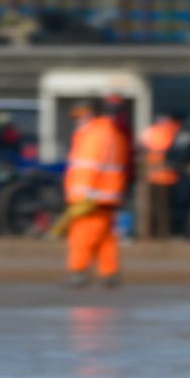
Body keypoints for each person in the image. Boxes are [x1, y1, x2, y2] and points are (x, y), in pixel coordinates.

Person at [62, 97, 132, 288]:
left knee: (81, 235)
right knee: (104, 238)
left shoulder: (95, 134)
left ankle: (78, 271)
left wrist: (82, 195)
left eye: (82, 115)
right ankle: (109, 273)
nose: (79, 120)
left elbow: (89, 166)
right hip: (106, 194)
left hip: (91, 196)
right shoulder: (111, 132)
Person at [139, 109, 184, 239]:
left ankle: (154, 233)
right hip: (164, 176)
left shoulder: (152, 131)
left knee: (155, 207)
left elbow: (143, 148)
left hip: (156, 175)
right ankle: (160, 233)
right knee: (162, 208)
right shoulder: (171, 131)